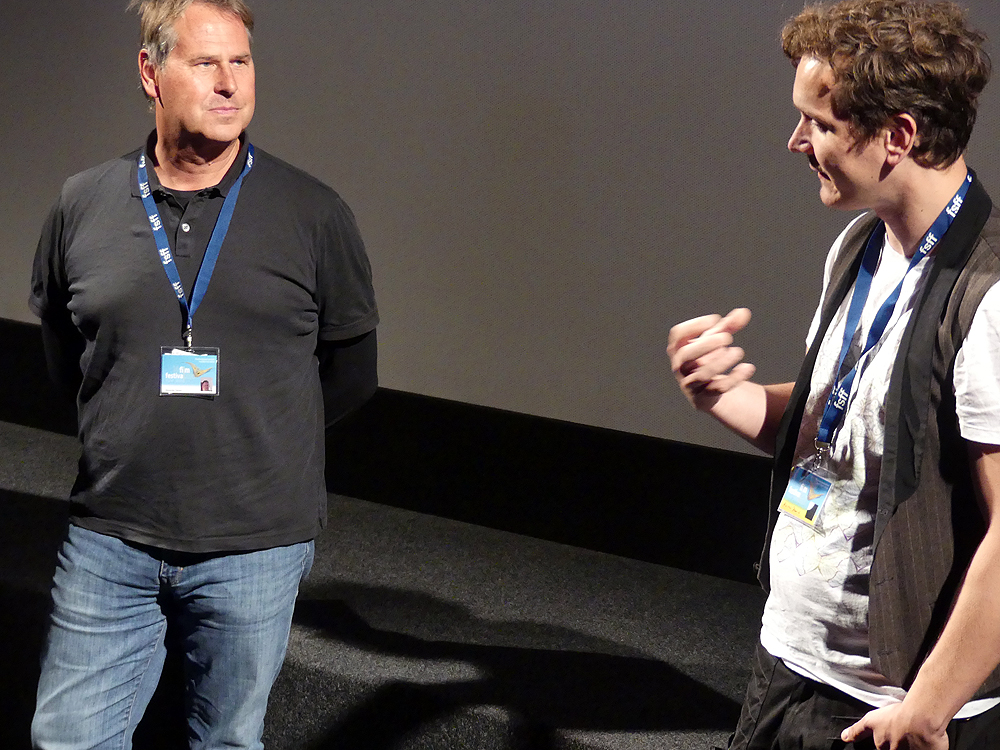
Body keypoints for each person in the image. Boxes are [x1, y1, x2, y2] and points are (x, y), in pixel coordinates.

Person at [28, 0, 379, 747]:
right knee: (67, 739)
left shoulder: (312, 213)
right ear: (150, 73)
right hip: (110, 535)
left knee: (225, 741)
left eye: (241, 62)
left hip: (253, 544)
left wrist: (260, 437)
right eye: (206, 62)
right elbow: (66, 356)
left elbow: (352, 373)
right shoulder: (83, 203)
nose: (230, 83)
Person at [667, 1, 1000, 748]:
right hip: (788, 665)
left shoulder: (989, 299)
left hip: (880, 708)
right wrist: (727, 395)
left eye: (817, 123)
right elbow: (845, 428)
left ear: (898, 137)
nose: (796, 141)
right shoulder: (860, 244)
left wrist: (927, 709)